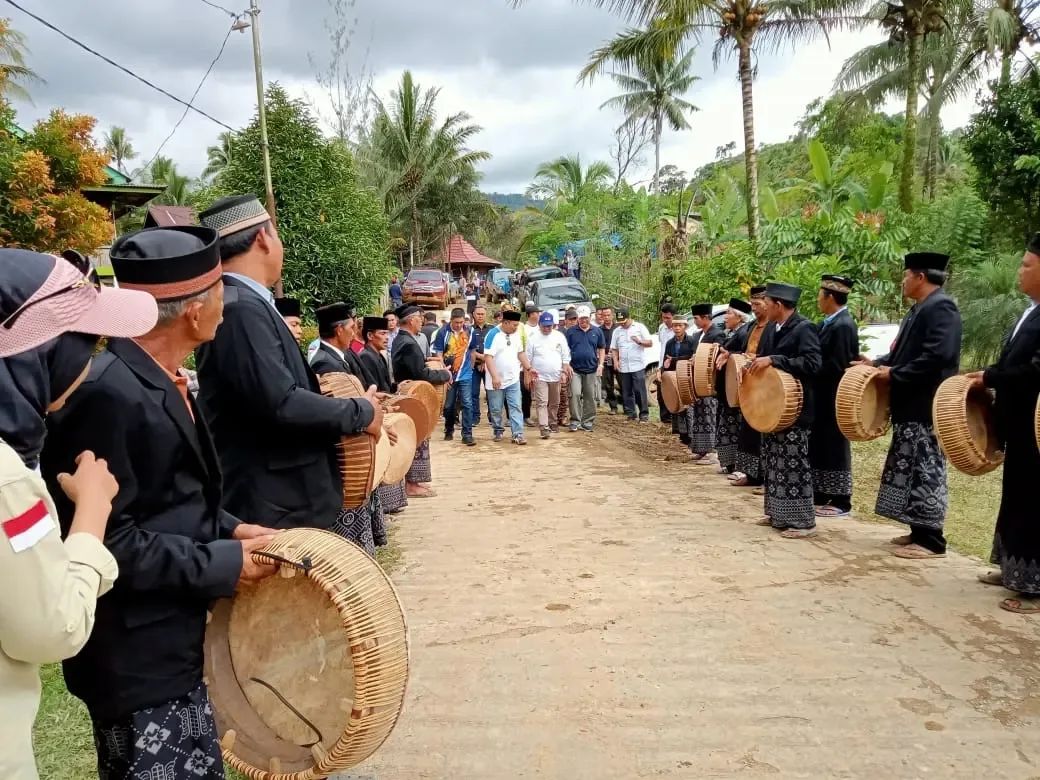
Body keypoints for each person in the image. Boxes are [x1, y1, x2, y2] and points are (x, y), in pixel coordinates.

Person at [42, 226, 281, 779]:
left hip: (172, 642)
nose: (227, 303)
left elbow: (168, 498)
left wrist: (230, 529)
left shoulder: (158, 379)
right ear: (193, 313)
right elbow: (106, 538)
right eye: (221, 291)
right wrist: (224, 563)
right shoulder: (106, 394)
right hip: (136, 656)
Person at [0, 248, 156, 779]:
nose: (91, 362)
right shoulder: (7, 480)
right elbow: (51, 629)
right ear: (47, 353)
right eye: (89, 343)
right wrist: (92, 511)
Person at [195, 194, 383, 534]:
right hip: (272, 505)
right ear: (263, 238)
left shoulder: (246, 303)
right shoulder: (240, 310)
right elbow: (279, 402)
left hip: (279, 500)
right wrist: (361, 411)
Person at [860, 252, 961, 558]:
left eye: (905, 276)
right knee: (912, 469)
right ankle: (918, 530)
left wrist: (895, 373)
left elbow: (938, 356)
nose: (902, 281)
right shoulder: (919, 309)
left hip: (926, 404)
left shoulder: (941, 306)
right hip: (909, 404)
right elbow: (901, 355)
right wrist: (875, 364)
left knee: (927, 469)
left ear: (920, 277)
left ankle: (932, 540)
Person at [968, 235, 1040, 612]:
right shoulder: (1031, 311)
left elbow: (1036, 370)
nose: (1019, 271)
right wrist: (988, 378)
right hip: (1017, 424)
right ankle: (1014, 567)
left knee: (1034, 501)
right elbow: (1015, 360)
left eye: (1026, 265)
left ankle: (1034, 585)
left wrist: (991, 377)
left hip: (1037, 426)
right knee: (1016, 495)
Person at [308, 301, 387, 551]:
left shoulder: (338, 356)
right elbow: (337, 407)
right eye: (352, 328)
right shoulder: (325, 363)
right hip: (345, 450)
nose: (355, 333)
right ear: (339, 330)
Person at [747, 282, 822, 538]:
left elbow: (813, 363)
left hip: (796, 408)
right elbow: (763, 360)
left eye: (767, 303)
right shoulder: (771, 327)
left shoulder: (804, 328)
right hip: (773, 408)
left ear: (779, 305)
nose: (763, 307)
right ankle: (777, 514)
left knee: (793, 464)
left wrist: (775, 360)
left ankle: (803, 523)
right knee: (774, 462)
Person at [811, 275, 859, 518]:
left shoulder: (843, 325)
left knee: (835, 444)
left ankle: (841, 499)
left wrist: (810, 369)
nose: (818, 299)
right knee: (821, 444)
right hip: (821, 394)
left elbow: (837, 364)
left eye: (820, 295)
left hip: (835, 394)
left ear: (830, 297)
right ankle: (821, 492)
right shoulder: (827, 323)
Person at [392, 304, 453, 496]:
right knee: (416, 440)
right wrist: (444, 374)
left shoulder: (402, 339)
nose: (422, 321)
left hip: (409, 395)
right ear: (411, 321)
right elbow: (420, 373)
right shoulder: (408, 344)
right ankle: (412, 484)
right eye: (419, 318)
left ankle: (414, 482)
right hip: (413, 397)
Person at [359, 316, 409, 515]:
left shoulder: (377, 355)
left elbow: (384, 384)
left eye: (387, 333)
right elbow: (372, 387)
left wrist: (396, 387)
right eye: (382, 333)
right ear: (370, 336)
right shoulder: (366, 357)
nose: (387, 337)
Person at [731, 286, 770, 488]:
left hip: (767, 383)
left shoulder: (773, 326)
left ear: (768, 303)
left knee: (764, 430)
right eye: (752, 304)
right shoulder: (752, 326)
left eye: (757, 304)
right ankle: (752, 474)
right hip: (749, 381)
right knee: (749, 430)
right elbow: (737, 347)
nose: (753, 308)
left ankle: (766, 477)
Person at [715, 298, 753, 475]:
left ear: (739, 317)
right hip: (727, 390)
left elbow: (744, 356)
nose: (725, 317)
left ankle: (735, 464)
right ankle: (729, 463)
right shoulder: (732, 332)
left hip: (735, 392)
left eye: (729, 313)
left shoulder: (744, 332)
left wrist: (728, 354)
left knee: (734, 426)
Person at [685, 303, 726, 463]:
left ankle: (711, 451)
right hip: (697, 379)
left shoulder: (717, 334)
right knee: (699, 415)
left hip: (710, 381)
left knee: (709, 414)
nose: (694, 321)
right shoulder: (697, 335)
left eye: (696, 318)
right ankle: (701, 449)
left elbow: (717, 356)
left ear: (705, 318)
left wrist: (702, 359)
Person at [485, 310, 532, 444]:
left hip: (513, 379)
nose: (516, 328)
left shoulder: (516, 335)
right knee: (496, 408)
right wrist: (495, 377)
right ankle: (498, 430)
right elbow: (488, 357)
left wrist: (529, 368)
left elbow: (520, 353)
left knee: (516, 406)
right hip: (496, 380)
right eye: (514, 325)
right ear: (505, 322)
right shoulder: (493, 334)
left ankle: (518, 434)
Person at [527, 311, 571, 439]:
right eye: (544, 326)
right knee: (542, 402)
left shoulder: (559, 337)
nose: (547, 328)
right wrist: (528, 373)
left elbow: (565, 356)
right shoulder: (533, 338)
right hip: (539, 376)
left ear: (553, 325)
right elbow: (528, 357)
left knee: (555, 402)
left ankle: (552, 421)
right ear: (539, 325)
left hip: (556, 375)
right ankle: (544, 426)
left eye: (549, 326)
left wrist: (564, 371)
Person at [438, 308, 478, 446]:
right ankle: (449, 428)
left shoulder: (470, 331)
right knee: (449, 405)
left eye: (461, 322)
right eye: (456, 322)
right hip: (449, 374)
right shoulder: (443, 332)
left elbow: (472, 351)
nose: (459, 325)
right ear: (451, 320)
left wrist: (471, 368)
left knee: (467, 403)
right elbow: (438, 354)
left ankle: (467, 434)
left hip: (465, 374)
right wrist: (444, 372)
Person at [566, 305, 606, 432]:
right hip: (575, 369)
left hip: (591, 369)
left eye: (586, 318)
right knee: (575, 394)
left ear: (590, 317)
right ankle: (575, 420)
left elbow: (602, 348)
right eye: (581, 318)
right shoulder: (571, 332)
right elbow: (565, 350)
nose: (584, 320)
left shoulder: (597, 331)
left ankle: (587, 421)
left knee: (590, 396)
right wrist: (566, 365)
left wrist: (601, 365)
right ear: (578, 318)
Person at [662, 315, 699, 445]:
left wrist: (674, 359)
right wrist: (663, 370)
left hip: (687, 376)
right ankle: (682, 434)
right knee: (677, 404)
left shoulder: (692, 341)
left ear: (685, 327)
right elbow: (666, 359)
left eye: (680, 326)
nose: (677, 328)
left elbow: (692, 357)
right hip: (674, 376)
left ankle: (692, 434)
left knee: (688, 405)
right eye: (675, 326)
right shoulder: (669, 343)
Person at [610, 307, 652, 421]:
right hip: (624, 366)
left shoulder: (639, 327)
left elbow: (650, 343)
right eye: (620, 322)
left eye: (624, 321)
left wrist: (639, 341)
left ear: (629, 318)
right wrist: (615, 361)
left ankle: (644, 414)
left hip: (638, 365)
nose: (622, 324)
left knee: (639, 390)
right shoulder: (617, 331)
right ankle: (631, 413)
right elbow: (614, 348)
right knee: (626, 391)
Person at [470, 304, 493, 428]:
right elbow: (468, 349)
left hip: (489, 366)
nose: (480, 316)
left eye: (482, 314)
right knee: (473, 393)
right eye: (478, 314)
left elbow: (495, 348)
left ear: (486, 315)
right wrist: (479, 359)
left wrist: (485, 361)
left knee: (491, 392)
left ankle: (492, 417)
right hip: (473, 366)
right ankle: (475, 417)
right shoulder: (469, 330)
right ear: (473, 315)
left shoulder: (492, 329)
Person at [655, 303, 678, 423]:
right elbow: (662, 348)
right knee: (661, 392)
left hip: (675, 365)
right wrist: (659, 367)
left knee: (673, 392)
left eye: (668, 318)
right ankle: (665, 419)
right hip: (663, 364)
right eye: (663, 317)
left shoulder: (679, 330)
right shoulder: (661, 328)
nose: (665, 320)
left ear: (674, 316)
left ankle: (674, 418)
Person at [599, 305, 621, 413]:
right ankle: (613, 407)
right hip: (606, 359)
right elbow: (598, 346)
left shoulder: (618, 328)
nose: (606, 317)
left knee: (623, 382)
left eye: (608, 315)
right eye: (604, 315)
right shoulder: (599, 330)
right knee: (608, 384)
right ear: (601, 316)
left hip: (618, 358)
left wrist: (616, 355)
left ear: (612, 315)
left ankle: (628, 407)